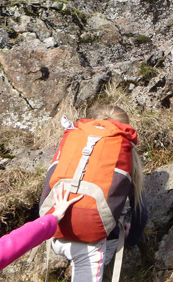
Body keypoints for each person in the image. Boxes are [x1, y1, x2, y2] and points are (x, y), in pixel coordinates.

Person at [46, 105, 147, 282]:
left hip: (54, 234)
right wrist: (131, 241)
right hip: (92, 243)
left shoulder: (73, 146)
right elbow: (141, 214)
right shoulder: (126, 158)